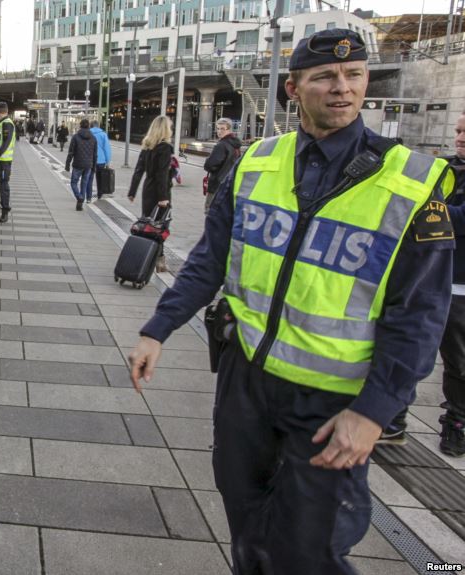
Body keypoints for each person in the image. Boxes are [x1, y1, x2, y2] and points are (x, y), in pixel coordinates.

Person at [126, 29, 454, 574]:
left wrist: (375, 411)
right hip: (247, 381)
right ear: (294, 89)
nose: (342, 88)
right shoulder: (256, 163)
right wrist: (157, 328)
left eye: (354, 76)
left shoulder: (411, 184)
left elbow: (419, 316)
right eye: (325, 76)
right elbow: (211, 259)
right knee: (247, 524)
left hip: (333, 403)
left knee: (309, 550)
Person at [435, 112, 465, 456]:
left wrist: (429, 209)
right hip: (430, 277)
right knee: (410, 352)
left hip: (460, 286)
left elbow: (459, 219)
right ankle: (394, 417)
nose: (460, 137)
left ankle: (456, 422)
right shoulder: (442, 169)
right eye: (457, 131)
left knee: (458, 363)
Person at [127, 115, 173, 218]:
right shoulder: (165, 148)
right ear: (165, 129)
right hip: (159, 191)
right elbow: (162, 173)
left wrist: (132, 191)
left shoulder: (147, 146)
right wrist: (163, 197)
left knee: (147, 222)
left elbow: (138, 170)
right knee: (159, 226)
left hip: (148, 188)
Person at [202, 118, 243, 213]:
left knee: (211, 212)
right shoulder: (236, 145)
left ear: (229, 129)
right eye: (218, 128)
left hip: (217, 185)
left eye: (222, 129)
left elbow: (209, 165)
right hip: (230, 184)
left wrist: (208, 161)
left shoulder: (222, 145)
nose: (219, 131)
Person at [64, 118, 97, 211]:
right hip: (88, 165)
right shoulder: (93, 138)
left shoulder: (75, 137)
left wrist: (67, 164)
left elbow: (71, 152)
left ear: (80, 126)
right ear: (89, 126)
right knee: (84, 184)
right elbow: (95, 154)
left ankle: (79, 197)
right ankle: (80, 204)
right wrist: (94, 167)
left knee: (73, 182)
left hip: (77, 164)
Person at [89, 120, 112, 200]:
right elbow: (107, 149)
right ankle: (99, 194)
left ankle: (88, 195)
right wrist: (107, 161)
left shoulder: (88, 134)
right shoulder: (103, 134)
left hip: (90, 159)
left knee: (89, 178)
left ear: (91, 126)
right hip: (101, 160)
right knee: (100, 178)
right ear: (98, 126)